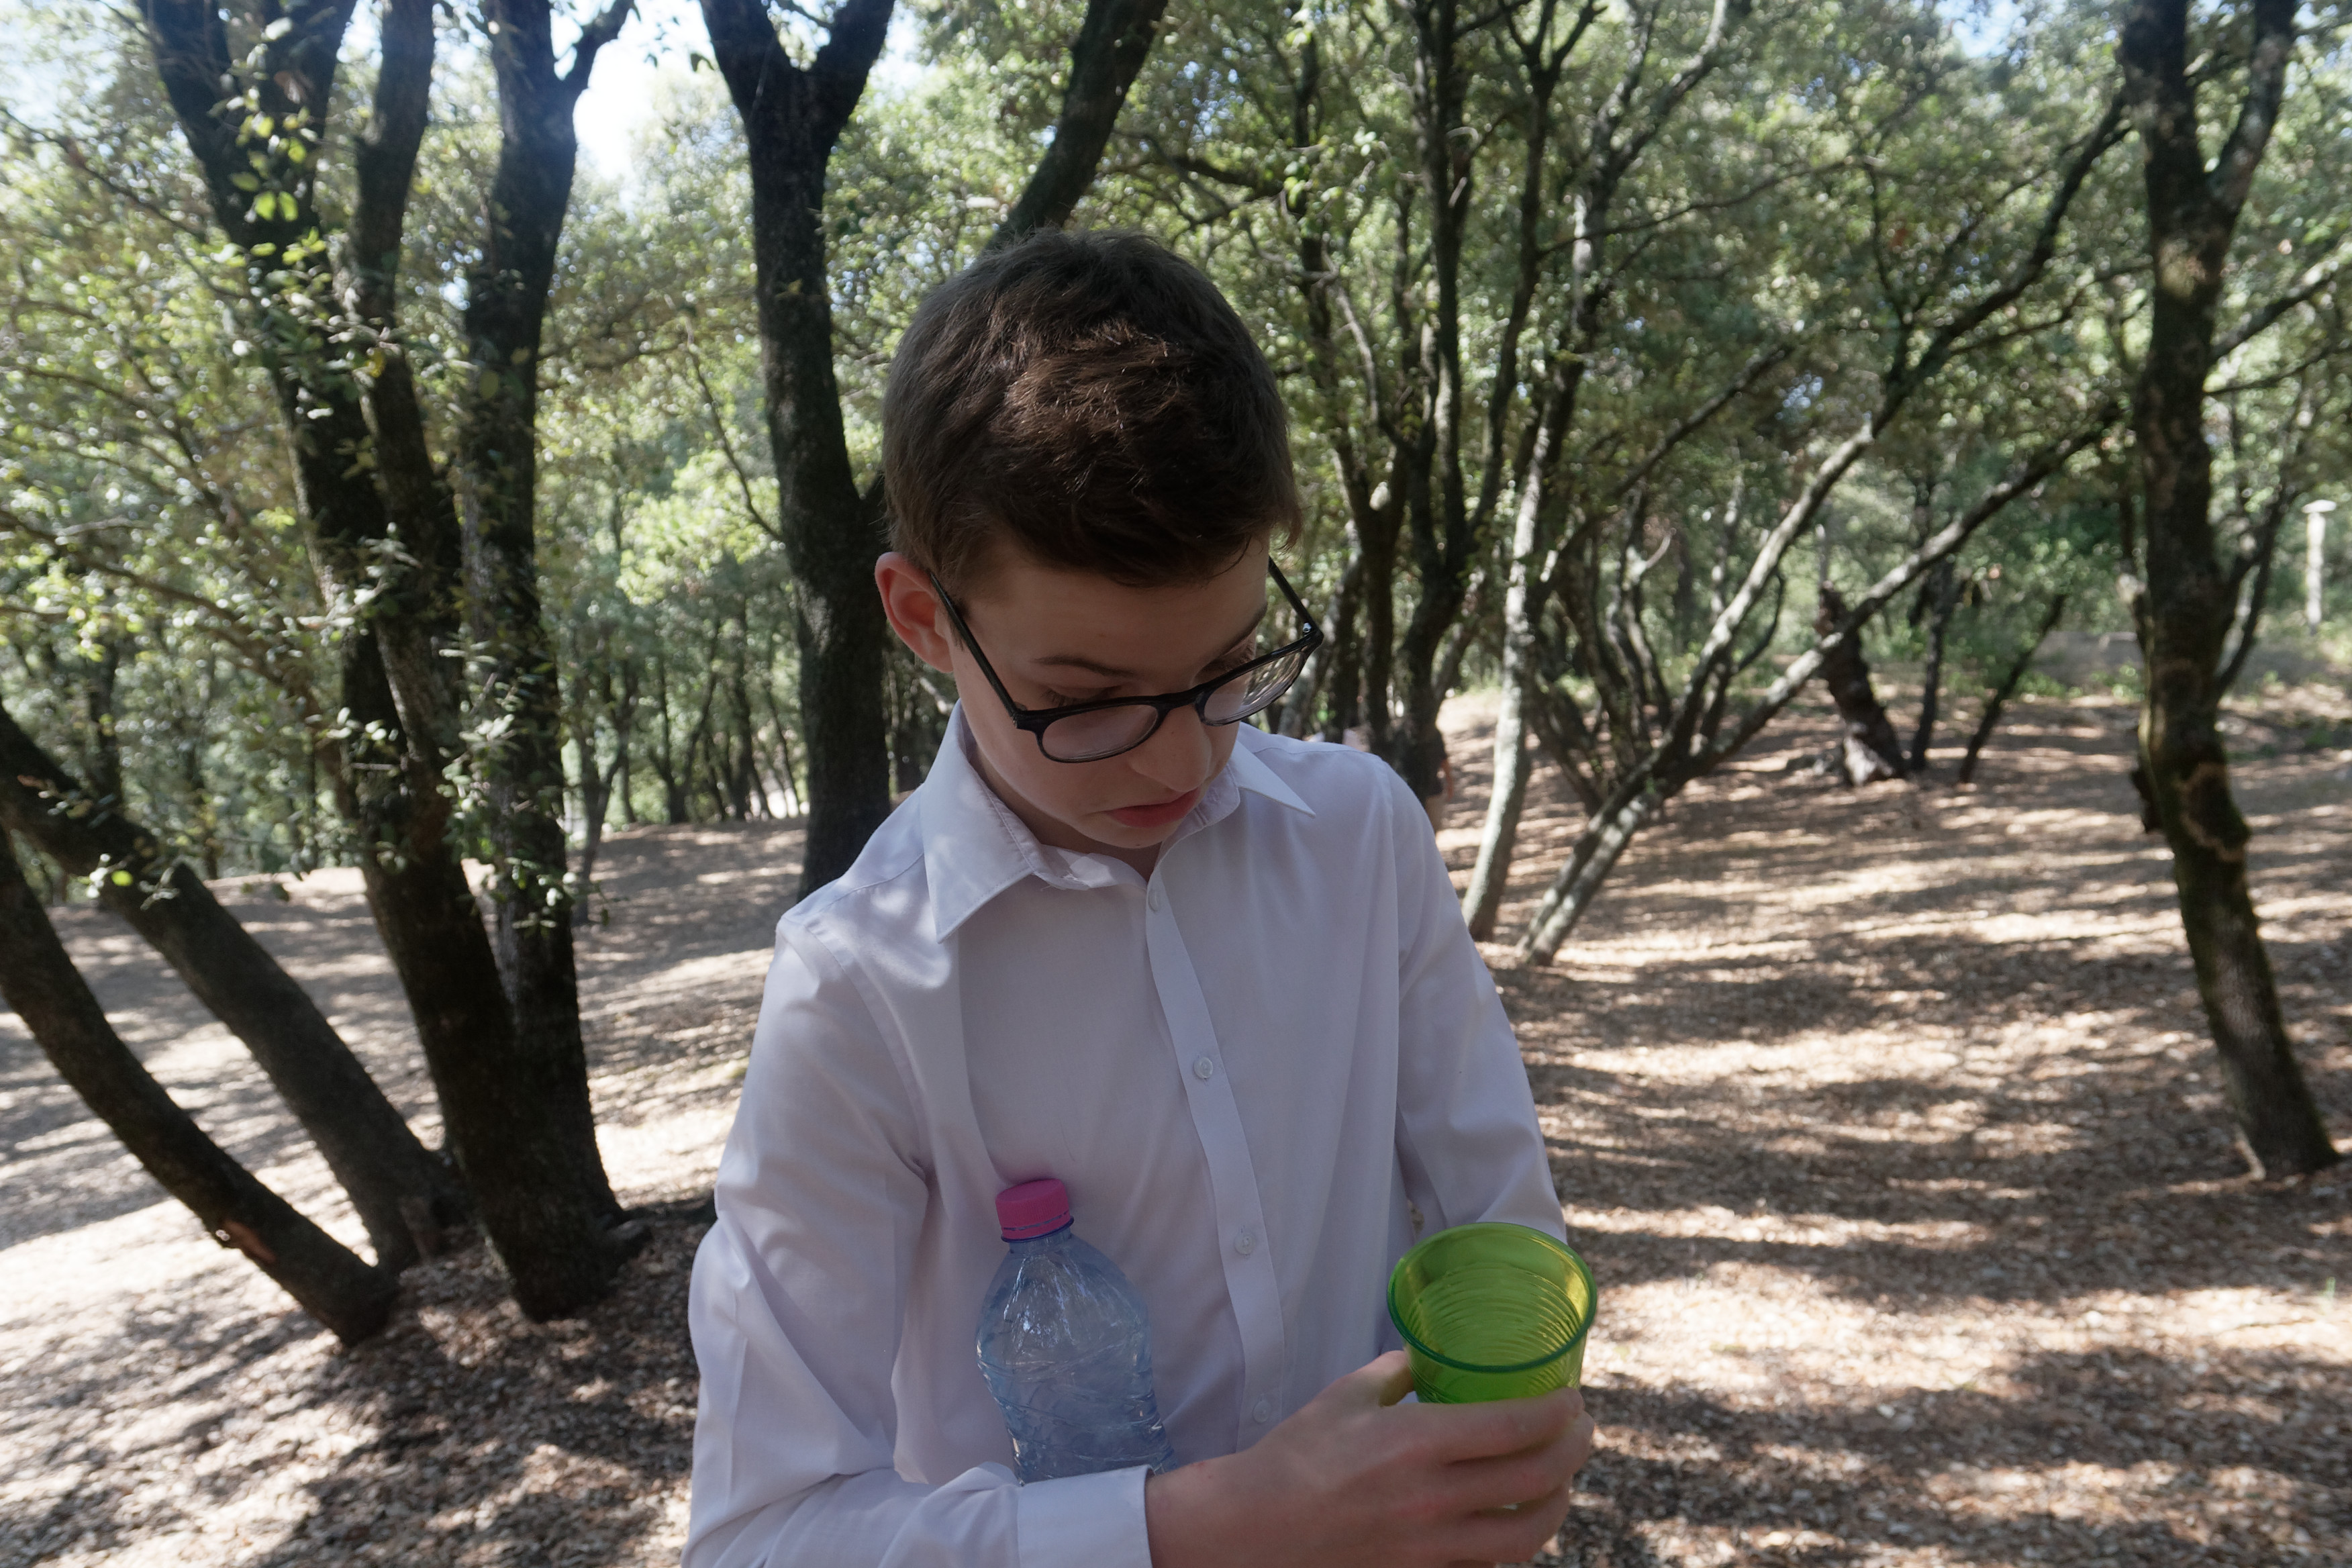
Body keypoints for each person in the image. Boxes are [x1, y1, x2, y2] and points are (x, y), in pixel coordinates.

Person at [684, 229, 1595, 1568]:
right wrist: (1212, 1527)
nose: (1180, 763)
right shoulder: (862, 986)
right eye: (1086, 701)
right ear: (924, 619)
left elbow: (1497, 1223)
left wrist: (1502, 1439)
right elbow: (763, 1536)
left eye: (1230, 666)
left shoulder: (1360, 838)